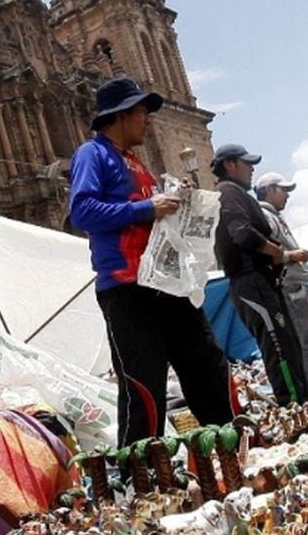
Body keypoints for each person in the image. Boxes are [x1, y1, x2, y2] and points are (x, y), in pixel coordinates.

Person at [68, 77, 235, 445]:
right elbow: (82, 211)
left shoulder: (135, 163)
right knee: (144, 382)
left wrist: (175, 202)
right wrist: (148, 207)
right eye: (142, 112)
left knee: (205, 362)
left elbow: (150, 212)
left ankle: (230, 444)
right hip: (127, 286)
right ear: (121, 115)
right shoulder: (92, 155)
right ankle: (143, 467)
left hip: (165, 282)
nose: (147, 120)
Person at [211, 144, 308, 406]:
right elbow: (242, 233)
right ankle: (292, 405)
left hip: (263, 281)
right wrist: (278, 253)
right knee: (278, 347)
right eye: (247, 163)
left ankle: (303, 402)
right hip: (250, 281)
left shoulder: (238, 194)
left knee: (288, 344)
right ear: (230, 165)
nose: (252, 168)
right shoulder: (227, 192)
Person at [254, 171, 308, 398]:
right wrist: (290, 256)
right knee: (307, 343)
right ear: (269, 190)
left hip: (296, 285)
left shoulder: (274, 216)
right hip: (291, 287)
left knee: (307, 342)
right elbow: (264, 250)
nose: (287, 195)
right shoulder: (265, 216)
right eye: (283, 190)